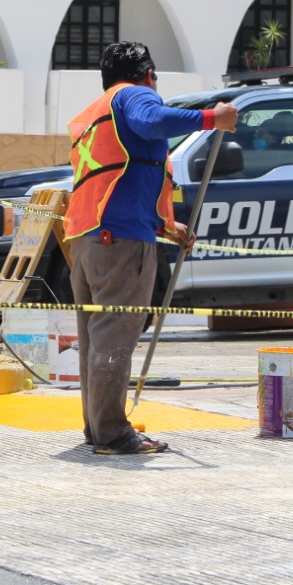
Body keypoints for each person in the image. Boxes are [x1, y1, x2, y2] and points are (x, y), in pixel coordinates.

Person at [64, 42, 237, 454]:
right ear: (146, 73)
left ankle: (97, 428)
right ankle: (111, 433)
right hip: (120, 243)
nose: (155, 86)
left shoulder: (95, 113)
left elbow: (123, 176)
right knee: (115, 338)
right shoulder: (134, 94)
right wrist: (213, 118)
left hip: (89, 240)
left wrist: (164, 223)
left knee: (96, 340)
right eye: (155, 78)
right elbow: (152, 120)